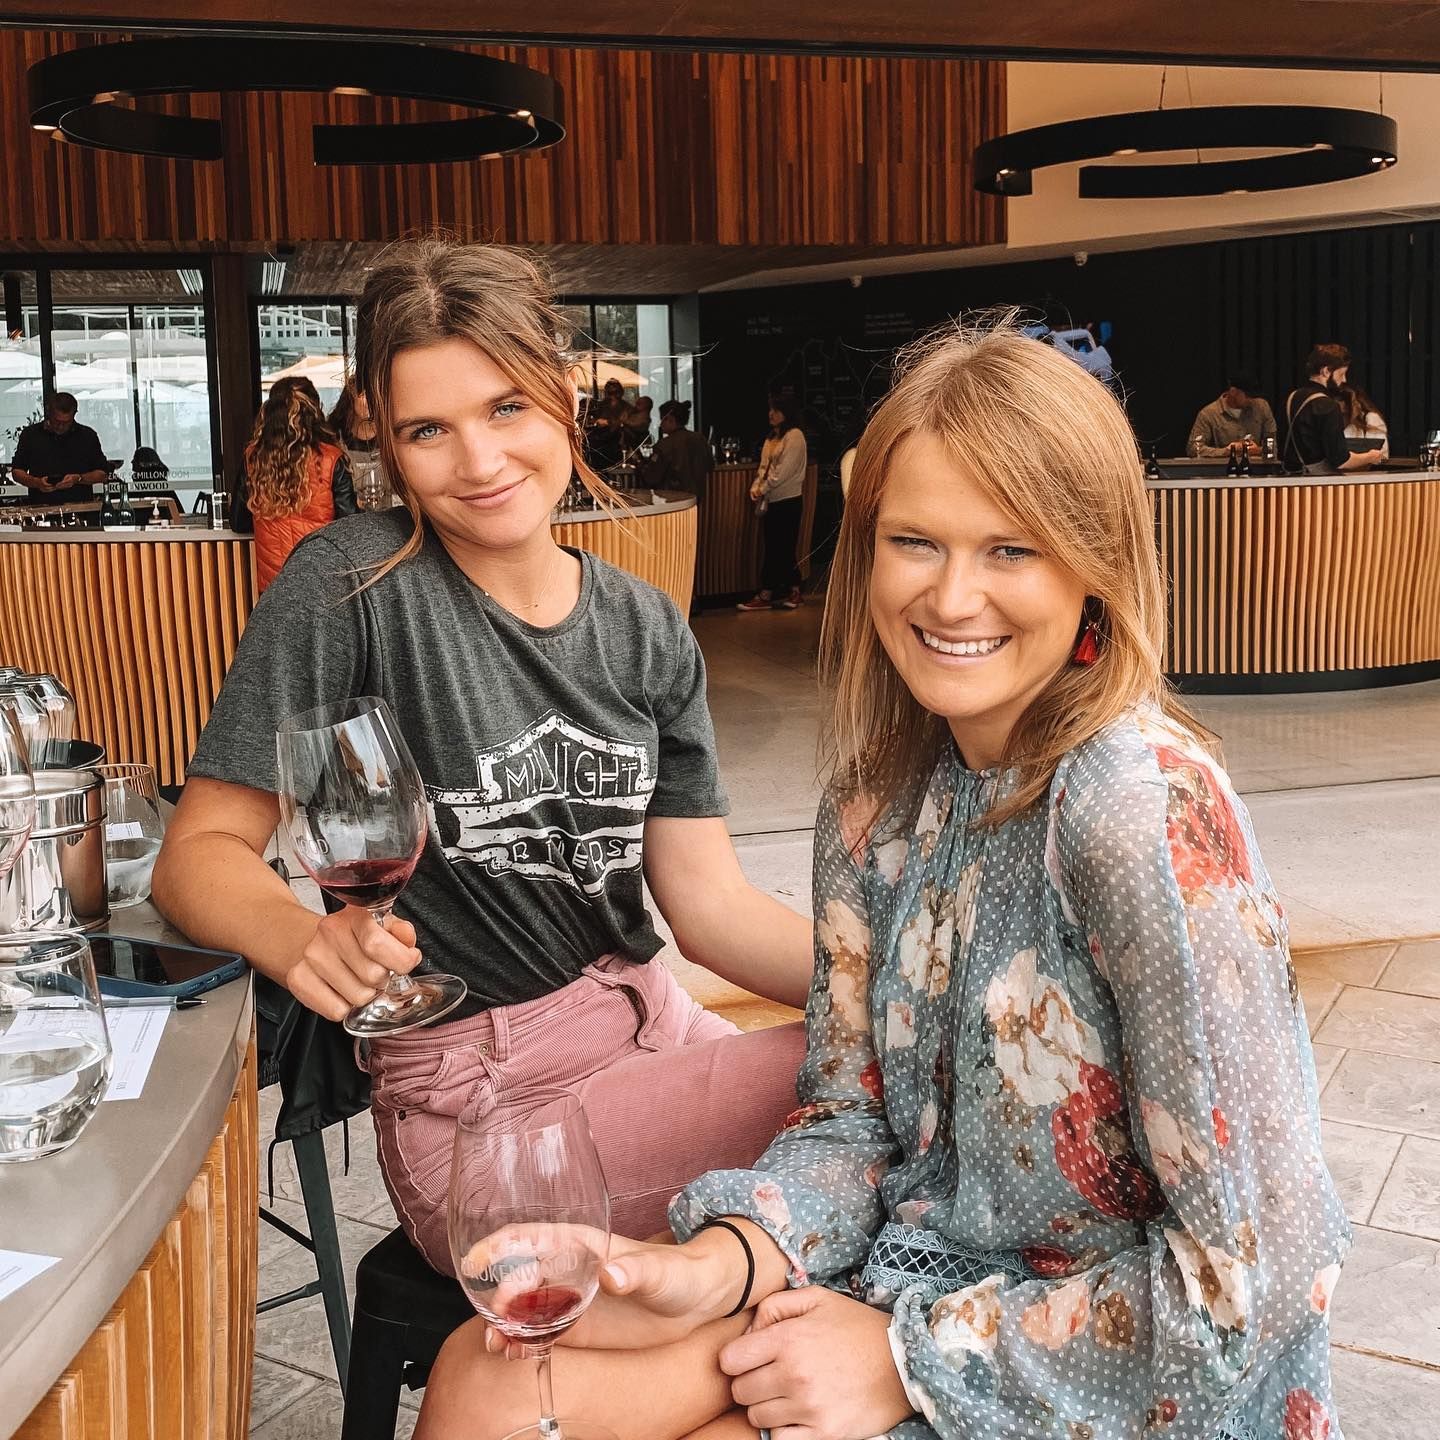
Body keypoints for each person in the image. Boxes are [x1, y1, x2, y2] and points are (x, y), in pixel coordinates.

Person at [415, 319, 1350, 1440]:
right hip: (900, 1285)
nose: (952, 600)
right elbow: (851, 1121)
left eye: (1011, 550)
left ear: (1095, 565)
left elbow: (1259, 1280)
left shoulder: (1137, 811)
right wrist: (726, 1261)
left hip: (1104, 1382)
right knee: (485, 1373)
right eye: (916, 542)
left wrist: (910, 1364)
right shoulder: (874, 805)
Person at [152, 237, 810, 1276]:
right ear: (384, 438)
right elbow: (196, 854)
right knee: (882, 1089)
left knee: (888, 1076)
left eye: (507, 407)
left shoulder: (644, 627)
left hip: (653, 1023)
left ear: (563, 396)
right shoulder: (350, 586)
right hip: (486, 1102)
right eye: (429, 430)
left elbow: (712, 906)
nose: (479, 461)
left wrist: (898, 985)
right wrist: (299, 938)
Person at [232, 376, 356, 590]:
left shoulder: (254, 459)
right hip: (322, 579)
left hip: (273, 586)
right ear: (315, 411)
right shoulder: (331, 459)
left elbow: (238, 522)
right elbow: (349, 525)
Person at [737, 397, 807, 612]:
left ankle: (770, 593)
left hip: (789, 499)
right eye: (770, 410)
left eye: (776, 410)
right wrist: (756, 486)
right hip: (772, 500)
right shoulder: (772, 437)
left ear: (787, 413)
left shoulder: (795, 436)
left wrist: (763, 488)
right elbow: (764, 467)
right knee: (776, 547)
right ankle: (791, 590)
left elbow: (783, 472)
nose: (771, 414)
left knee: (782, 547)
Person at [1284, 344, 1383, 475]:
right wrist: (1370, 457)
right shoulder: (1327, 405)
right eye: (1341, 374)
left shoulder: (1292, 398)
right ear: (1326, 371)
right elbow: (1341, 461)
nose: (1344, 380)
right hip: (1319, 482)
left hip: (1290, 479)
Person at [10, 392, 109, 500]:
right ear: (49, 412)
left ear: (74, 414)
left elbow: (102, 473)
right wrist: (36, 482)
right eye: (57, 421)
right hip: (41, 506)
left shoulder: (87, 436)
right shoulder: (31, 435)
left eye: (67, 422)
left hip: (80, 506)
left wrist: (79, 479)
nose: (61, 426)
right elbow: (17, 471)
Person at [329, 380, 390, 509]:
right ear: (350, 396)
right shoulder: (333, 437)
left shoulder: (390, 435)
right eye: (364, 395)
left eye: (376, 395)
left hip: (389, 514)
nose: (371, 401)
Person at [1187, 375, 1277, 458]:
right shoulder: (1209, 414)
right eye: (1248, 396)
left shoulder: (1262, 407)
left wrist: (1257, 450)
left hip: (1256, 467)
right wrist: (1227, 451)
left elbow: (1273, 448)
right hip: (1222, 468)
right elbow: (1193, 449)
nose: (1252, 400)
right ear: (1233, 392)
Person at [646, 400, 712, 501]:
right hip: (698, 499)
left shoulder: (663, 445)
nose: (661, 424)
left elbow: (652, 477)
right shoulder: (700, 439)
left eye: (662, 419)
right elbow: (710, 466)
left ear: (670, 419)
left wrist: (640, 465)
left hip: (672, 500)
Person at [1338, 381, 1390, 461]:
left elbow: (1381, 455)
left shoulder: (1370, 418)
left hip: (1366, 468)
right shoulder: (1331, 422)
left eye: (1345, 413)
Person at [585, 377, 628, 469]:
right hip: (599, 443)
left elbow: (625, 422)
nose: (612, 396)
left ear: (620, 393)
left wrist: (609, 422)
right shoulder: (600, 405)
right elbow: (589, 420)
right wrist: (596, 421)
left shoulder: (625, 407)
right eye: (609, 393)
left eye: (615, 393)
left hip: (617, 444)